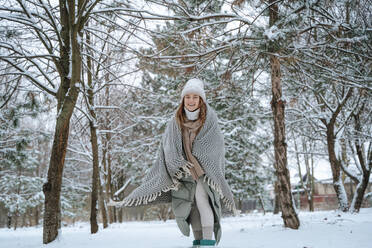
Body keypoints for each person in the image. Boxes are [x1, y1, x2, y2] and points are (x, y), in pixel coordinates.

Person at [116, 78, 236, 247]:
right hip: (182, 173)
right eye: (188, 97)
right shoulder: (175, 121)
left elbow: (215, 147)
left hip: (203, 173)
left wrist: (200, 161)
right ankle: (198, 242)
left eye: (195, 97)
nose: (191, 100)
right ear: (183, 99)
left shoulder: (209, 120)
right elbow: (167, 147)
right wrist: (178, 164)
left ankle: (208, 242)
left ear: (201, 100)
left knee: (202, 202)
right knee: (190, 208)